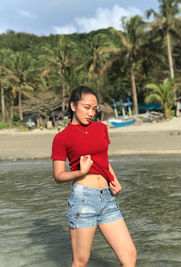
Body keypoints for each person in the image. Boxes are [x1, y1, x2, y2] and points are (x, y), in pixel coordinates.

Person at [51, 86, 137, 267]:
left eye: (94, 109)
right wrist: (80, 172)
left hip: (107, 198)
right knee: (81, 261)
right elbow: (58, 176)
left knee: (129, 257)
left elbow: (103, 159)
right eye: (86, 107)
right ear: (73, 106)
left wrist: (114, 179)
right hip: (82, 200)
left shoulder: (101, 128)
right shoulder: (62, 137)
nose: (91, 113)